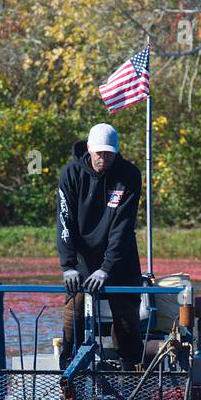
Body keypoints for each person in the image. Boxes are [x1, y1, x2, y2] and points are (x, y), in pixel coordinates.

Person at [56, 122, 144, 370]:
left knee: (127, 319)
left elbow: (123, 227)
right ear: (89, 149)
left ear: (116, 151)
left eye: (108, 153)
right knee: (74, 313)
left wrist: (107, 268)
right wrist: (68, 266)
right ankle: (68, 374)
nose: (103, 158)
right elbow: (65, 221)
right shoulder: (71, 174)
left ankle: (130, 376)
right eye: (99, 153)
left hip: (121, 258)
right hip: (82, 258)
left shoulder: (129, 175)